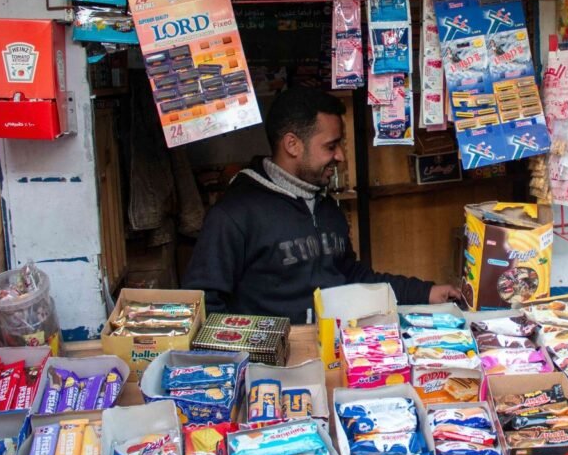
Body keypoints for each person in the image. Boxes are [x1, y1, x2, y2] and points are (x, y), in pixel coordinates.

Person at [183, 86, 463, 322]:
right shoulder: (234, 215)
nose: (340, 156)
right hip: (272, 370)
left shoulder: (326, 206)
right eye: (331, 146)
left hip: (335, 351)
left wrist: (425, 292)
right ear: (292, 145)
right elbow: (203, 303)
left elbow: (351, 276)